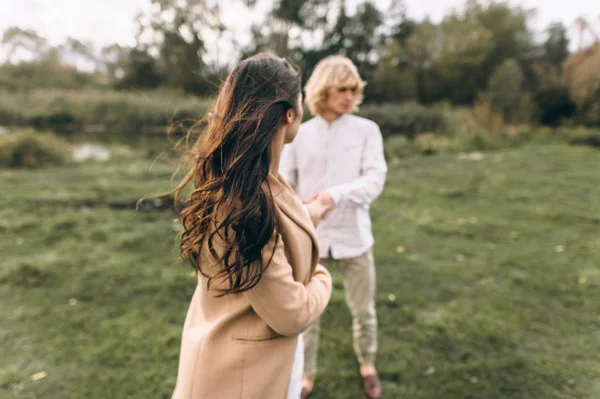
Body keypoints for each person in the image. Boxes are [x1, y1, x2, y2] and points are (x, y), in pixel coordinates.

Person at [170, 52, 333, 399]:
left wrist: (310, 215)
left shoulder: (244, 179)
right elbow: (291, 313)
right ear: (291, 113)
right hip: (239, 377)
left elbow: (274, 238)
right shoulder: (245, 204)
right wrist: (322, 277)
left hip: (248, 362)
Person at [280, 55, 388, 399]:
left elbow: (374, 181)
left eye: (353, 89)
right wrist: (305, 210)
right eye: (342, 88)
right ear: (324, 89)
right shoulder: (299, 134)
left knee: (364, 310)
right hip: (311, 239)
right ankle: (306, 374)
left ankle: (367, 364)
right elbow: (284, 183)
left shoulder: (367, 130)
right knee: (306, 313)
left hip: (355, 237)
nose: (348, 95)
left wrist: (333, 196)